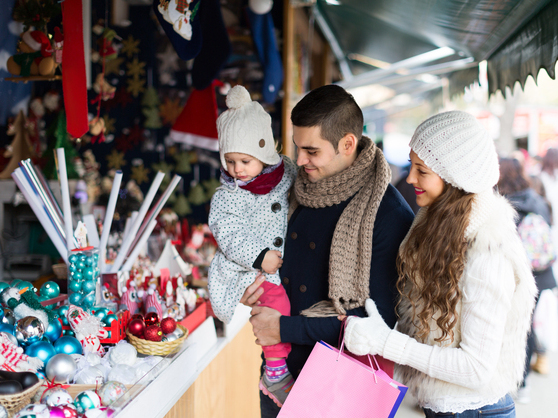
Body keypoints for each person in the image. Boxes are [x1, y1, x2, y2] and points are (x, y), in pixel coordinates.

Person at [344, 111, 537, 417]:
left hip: (477, 411)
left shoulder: (488, 249)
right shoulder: (436, 228)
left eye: (422, 170)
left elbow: (476, 368)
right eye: (411, 165)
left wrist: (387, 343)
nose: (409, 178)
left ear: (454, 178)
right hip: (444, 408)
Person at [241, 84, 415, 417]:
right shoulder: (294, 190)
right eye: (297, 148)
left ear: (348, 144)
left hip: (342, 386)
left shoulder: (388, 214)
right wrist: (254, 283)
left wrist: (284, 328)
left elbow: (377, 324)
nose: (299, 160)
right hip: (277, 374)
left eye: (312, 151)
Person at [207, 85, 297, 407]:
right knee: (275, 306)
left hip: (275, 264)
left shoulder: (286, 174)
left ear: (265, 152)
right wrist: (259, 257)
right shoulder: (228, 195)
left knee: (280, 305)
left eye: (245, 160)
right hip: (243, 267)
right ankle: (274, 371)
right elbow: (227, 234)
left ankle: (276, 367)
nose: (237, 170)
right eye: (229, 161)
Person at [498, 158, 557, 396]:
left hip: (513, 273)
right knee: (527, 325)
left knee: (507, 324)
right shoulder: (536, 199)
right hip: (540, 274)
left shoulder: (501, 200)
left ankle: (508, 376)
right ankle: (523, 383)